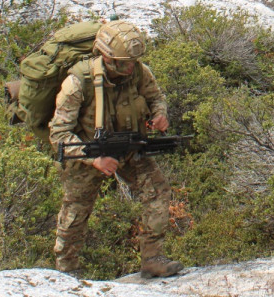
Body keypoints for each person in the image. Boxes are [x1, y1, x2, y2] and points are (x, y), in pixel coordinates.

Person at [48, 21, 185, 279]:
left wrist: (159, 115)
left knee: (157, 191)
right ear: (107, 57)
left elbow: (156, 98)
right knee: (75, 210)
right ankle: (67, 272)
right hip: (89, 152)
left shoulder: (138, 72)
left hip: (129, 148)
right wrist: (95, 159)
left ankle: (153, 258)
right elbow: (59, 135)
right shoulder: (78, 82)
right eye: (124, 62)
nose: (130, 67)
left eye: (133, 61)